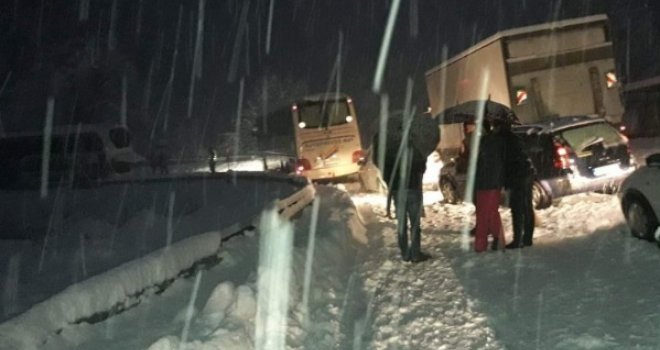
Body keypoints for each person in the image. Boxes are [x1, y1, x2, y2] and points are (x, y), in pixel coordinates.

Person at [373, 132, 430, 263]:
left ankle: (405, 253)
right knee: (415, 224)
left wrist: (391, 185)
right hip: (413, 188)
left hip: (398, 191)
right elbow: (421, 167)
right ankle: (415, 253)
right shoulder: (413, 148)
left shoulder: (389, 152)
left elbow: (384, 170)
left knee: (401, 224)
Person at [474, 118, 506, 252]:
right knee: (490, 213)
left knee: (485, 214)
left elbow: (485, 165)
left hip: (488, 184)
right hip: (490, 183)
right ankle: (496, 240)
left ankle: (484, 243)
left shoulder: (487, 143)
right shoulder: (490, 143)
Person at [502, 125, 536, 248]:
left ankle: (518, 240)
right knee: (527, 206)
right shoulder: (515, 138)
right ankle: (527, 238)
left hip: (517, 176)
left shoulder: (504, 140)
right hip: (526, 173)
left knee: (517, 208)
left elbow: (506, 162)